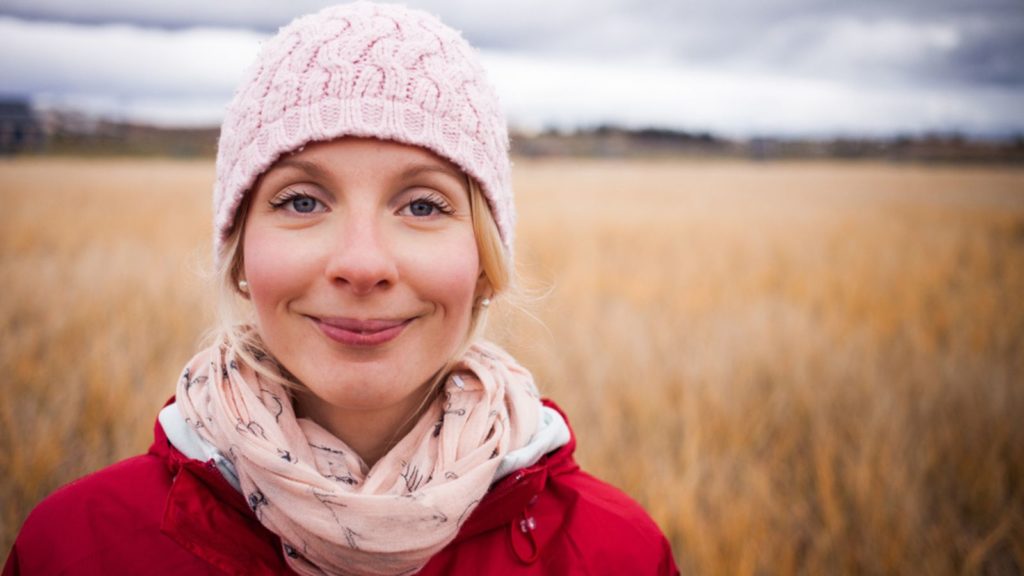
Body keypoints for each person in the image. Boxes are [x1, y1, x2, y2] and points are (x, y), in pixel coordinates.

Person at [3, 3, 679, 575]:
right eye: (301, 201)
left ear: (483, 259)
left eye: (422, 206)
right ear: (239, 252)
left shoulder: (616, 553)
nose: (362, 264)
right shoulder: (77, 548)